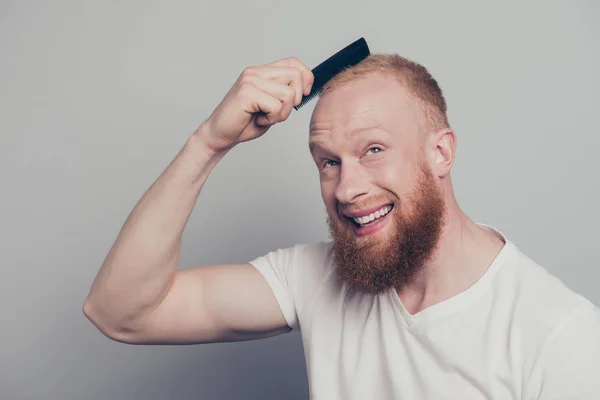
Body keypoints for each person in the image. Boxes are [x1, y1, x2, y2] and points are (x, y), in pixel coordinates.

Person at [83, 53, 600, 399]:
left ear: (440, 152)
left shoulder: (559, 336)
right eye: (328, 161)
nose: (347, 188)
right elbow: (121, 313)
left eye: (373, 150)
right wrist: (208, 144)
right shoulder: (315, 277)